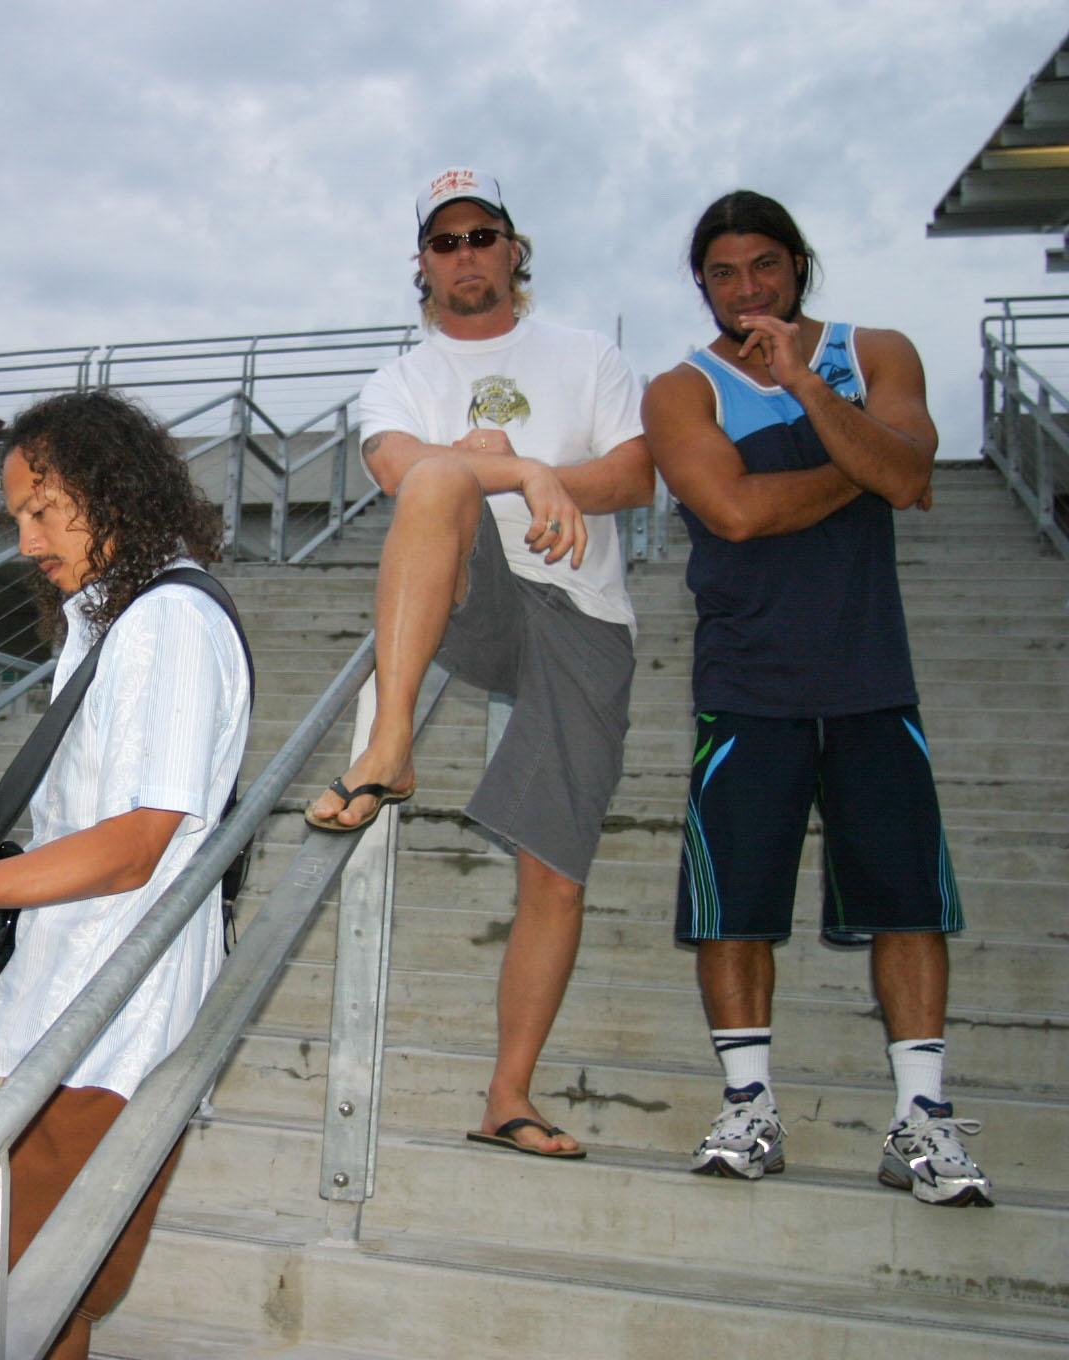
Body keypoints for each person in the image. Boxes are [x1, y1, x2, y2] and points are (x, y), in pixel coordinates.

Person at [0, 388, 250, 1360]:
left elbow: (138, 842)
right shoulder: (117, 621)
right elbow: (97, 833)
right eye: (16, 516)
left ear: (112, 490)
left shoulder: (166, 623)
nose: (26, 542)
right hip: (59, 1013)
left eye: (43, 509)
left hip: (99, 1032)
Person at [641, 190, 988, 1206]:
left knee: (907, 903)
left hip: (871, 676)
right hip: (746, 683)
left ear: (797, 264)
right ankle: (747, 1108)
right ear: (700, 284)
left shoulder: (874, 351)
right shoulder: (681, 390)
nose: (746, 288)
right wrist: (869, 463)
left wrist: (805, 386)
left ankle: (921, 1121)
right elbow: (737, 513)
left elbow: (910, 471)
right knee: (733, 909)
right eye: (722, 272)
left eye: (764, 264)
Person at [309, 167, 655, 1158]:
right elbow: (396, 468)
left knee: (556, 874)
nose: (464, 254)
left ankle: (508, 1096)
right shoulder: (402, 376)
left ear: (513, 249)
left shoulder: (586, 354)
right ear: (421, 262)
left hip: (578, 605)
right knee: (435, 482)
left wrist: (544, 481)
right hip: (470, 592)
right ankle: (390, 745)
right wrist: (520, 471)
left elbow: (635, 472)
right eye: (444, 241)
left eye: (481, 236)